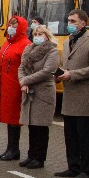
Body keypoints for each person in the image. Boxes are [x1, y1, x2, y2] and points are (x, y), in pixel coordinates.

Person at [55, 8, 89, 178]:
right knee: (70, 135)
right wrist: (59, 73)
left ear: (83, 23)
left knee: (84, 136)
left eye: (73, 21)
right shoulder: (68, 41)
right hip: (70, 95)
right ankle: (73, 166)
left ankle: (87, 169)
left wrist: (72, 74)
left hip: (84, 96)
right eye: (69, 21)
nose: (70, 25)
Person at [17, 23, 59, 169]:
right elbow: (21, 67)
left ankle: (39, 158)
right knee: (32, 125)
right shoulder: (28, 49)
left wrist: (26, 80)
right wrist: (22, 81)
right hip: (29, 90)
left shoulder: (52, 52)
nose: (37, 37)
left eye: (40, 34)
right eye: (35, 34)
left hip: (43, 91)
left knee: (40, 126)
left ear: (47, 36)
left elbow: (47, 71)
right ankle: (31, 155)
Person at [0, 16, 30, 161]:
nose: (11, 27)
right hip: (4, 83)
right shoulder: (7, 42)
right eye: (10, 24)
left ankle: (14, 149)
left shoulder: (25, 44)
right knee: (8, 116)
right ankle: (10, 147)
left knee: (14, 117)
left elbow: (26, 66)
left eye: (15, 25)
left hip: (15, 84)